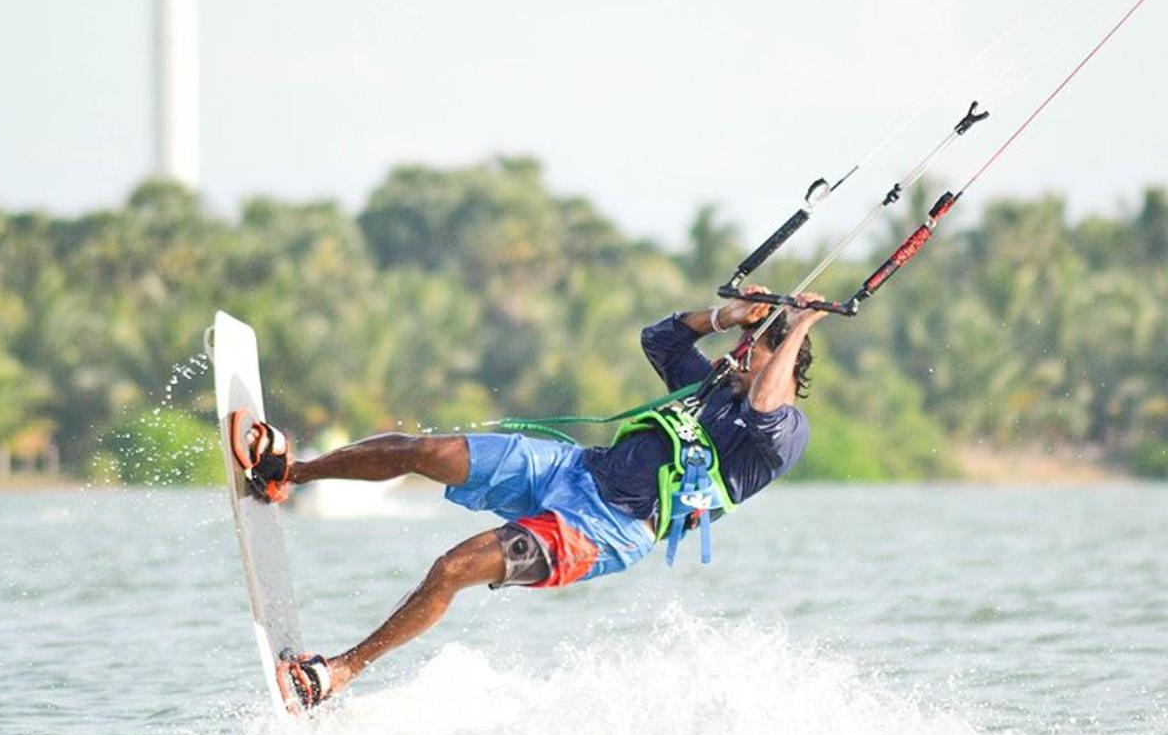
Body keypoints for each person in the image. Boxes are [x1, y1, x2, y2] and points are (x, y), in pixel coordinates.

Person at [230, 286, 828, 711]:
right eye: (746, 346)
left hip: (606, 531)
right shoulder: (712, 385)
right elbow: (660, 338)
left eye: (757, 349)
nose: (742, 355)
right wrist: (728, 316)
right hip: (573, 468)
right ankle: (292, 472)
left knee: (452, 569)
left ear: (784, 361)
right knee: (423, 450)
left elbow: (764, 406)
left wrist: (799, 321)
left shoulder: (782, 431)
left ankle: (338, 672)